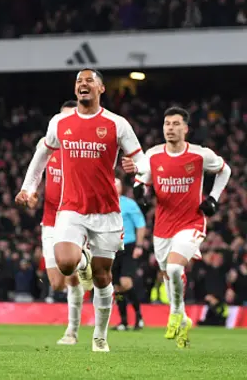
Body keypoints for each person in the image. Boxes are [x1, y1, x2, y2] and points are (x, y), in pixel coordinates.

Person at [16, 69, 149, 352]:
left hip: (106, 212)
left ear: (101, 88)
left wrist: (137, 172)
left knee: (102, 278)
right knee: (65, 264)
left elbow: (142, 160)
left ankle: (100, 336)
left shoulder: (117, 124)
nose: (83, 84)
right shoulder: (60, 122)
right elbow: (42, 153)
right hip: (71, 209)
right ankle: (81, 260)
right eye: (79, 81)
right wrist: (29, 187)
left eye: (89, 80)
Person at [127, 106, 231, 348]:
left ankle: (175, 313)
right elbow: (141, 181)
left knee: (174, 268)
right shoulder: (153, 155)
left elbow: (225, 170)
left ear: (186, 129)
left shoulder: (200, 155)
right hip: (162, 227)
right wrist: (140, 190)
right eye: (167, 124)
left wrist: (213, 198)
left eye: (175, 124)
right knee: (168, 275)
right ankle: (183, 319)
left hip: (191, 222)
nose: (170, 128)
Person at [32, 100, 85, 345]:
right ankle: (84, 263)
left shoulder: (84, 151)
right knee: (56, 283)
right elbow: (36, 172)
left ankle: (71, 332)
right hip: (50, 220)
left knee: (72, 276)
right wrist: (31, 191)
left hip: (75, 220)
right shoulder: (47, 147)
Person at [112, 178, 145, 331]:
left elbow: (141, 225)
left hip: (128, 246)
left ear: (121, 188)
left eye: (116, 184)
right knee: (117, 287)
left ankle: (138, 316)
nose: (113, 186)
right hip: (110, 247)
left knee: (125, 282)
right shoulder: (102, 203)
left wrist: (139, 245)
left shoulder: (129, 204)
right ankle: (123, 320)